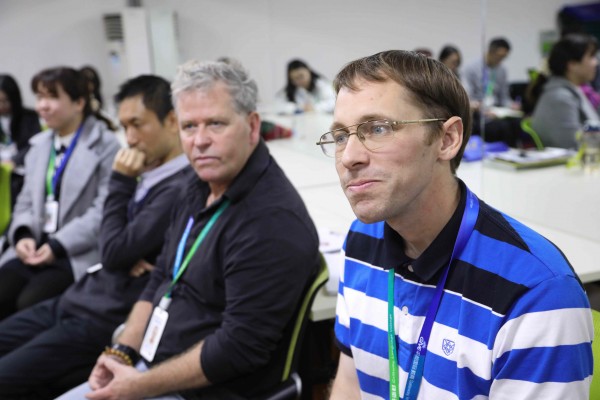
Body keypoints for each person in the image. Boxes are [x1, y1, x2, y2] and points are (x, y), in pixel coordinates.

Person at [315, 50, 592, 399]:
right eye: (341, 136)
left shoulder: (536, 293)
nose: (350, 157)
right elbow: (350, 385)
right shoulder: (361, 241)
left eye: (378, 129)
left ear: (447, 139)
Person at [58, 60, 320, 399]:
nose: (200, 141)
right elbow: (163, 275)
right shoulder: (199, 184)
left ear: (252, 126)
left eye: (216, 124)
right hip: (149, 366)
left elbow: (238, 348)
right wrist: (122, 351)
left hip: (200, 391)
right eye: (189, 126)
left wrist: (138, 386)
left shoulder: (271, 222)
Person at [0, 75, 190, 399]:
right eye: (125, 126)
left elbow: (112, 250)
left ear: (171, 121)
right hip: (79, 297)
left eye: (137, 125)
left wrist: (121, 181)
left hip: (102, 316)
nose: (130, 138)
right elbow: (115, 247)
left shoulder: (176, 186)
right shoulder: (148, 173)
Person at [0, 67, 121, 319]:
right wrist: (23, 235)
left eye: (52, 97)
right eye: (39, 97)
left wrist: (58, 245)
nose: (42, 106)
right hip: (34, 247)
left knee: (29, 304)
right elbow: (24, 202)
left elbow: (104, 209)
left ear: (79, 103)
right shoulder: (39, 146)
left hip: (75, 251)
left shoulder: (105, 144)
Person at [530, 33, 599, 149]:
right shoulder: (560, 97)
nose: (596, 62)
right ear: (572, 65)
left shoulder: (574, 90)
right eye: (591, 57)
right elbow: (572, 144)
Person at [0, 74, 42, 206]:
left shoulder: (29, 117)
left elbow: (34, 144)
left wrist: (15, 160)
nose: (1, 106)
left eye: (5, 101)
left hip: (21, 171)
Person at [463, 37, 512, 112]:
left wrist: (511, 105)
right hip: (477, 109)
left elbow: (504, 96)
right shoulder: (471, 67)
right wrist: (476, 105)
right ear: (490, 51)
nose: (501, 60)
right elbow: (467, 95)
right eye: (499, 56)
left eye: (504, 57)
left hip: (495, 109)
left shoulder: (502, 70)